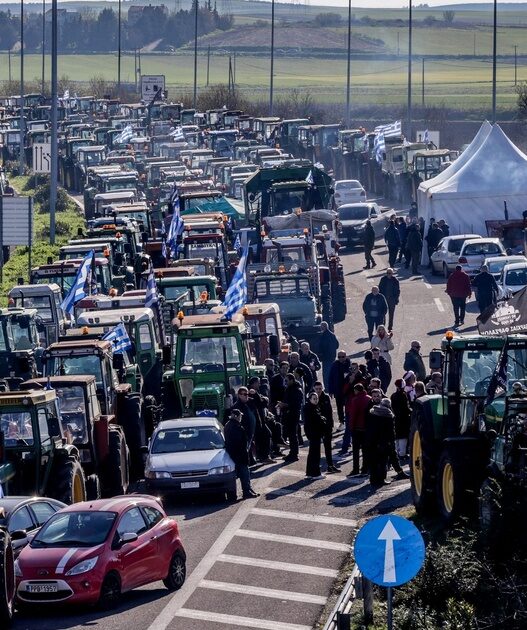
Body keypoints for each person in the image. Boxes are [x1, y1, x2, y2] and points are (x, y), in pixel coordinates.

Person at [224, 409, 259, 499]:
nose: (241, 417)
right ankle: (247, 492)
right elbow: (239, 442)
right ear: (236, 416)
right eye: (240, 415)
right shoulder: (236, 427)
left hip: (234, 455)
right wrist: (243, 452)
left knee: (240, 474)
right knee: (244, 474)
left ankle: (243, 492)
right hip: (239, 455)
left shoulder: (228, 425)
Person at [366, 397, 397, 487]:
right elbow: (391, 431)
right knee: (383, 462)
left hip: (372, 441)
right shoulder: (388, 415)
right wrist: (391, 441)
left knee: (373, 461)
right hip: (383, 442)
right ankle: (381, 479)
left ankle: (373, 479)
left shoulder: (373, 412)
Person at [314, 381, 340, 473]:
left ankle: (330, 465)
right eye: (317, 389)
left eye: (320, 389)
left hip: (326, 426)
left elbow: (329, 412)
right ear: (314, 389)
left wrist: (331, 425)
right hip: (316, 427)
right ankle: (315, 468)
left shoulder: (326, 397)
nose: (318, 391)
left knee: (328, 448)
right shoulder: (312, 397)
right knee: (315, 449)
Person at [346, 383, 371, 476]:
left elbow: (353, 415)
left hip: (357, 428)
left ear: (356, 390)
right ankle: (365, 468)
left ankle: (355, 469)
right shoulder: (369, 398)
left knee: (356, 451)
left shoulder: (355, 400)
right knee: (365, 450)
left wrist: (351, 427)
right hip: (366, 428)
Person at [278, 373, 304, 463]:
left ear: (292, 380)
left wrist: (285, 405)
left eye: (287, 380)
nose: (285, 382)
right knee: (290, 434)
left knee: (293, 435)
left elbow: (296, 404)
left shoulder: (297, 390)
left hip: (293, 415)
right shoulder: (289, 389)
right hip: (288, 414)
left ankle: (294, 454)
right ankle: (292, 453)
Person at [304, 392, 326, 478]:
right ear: (310, 399)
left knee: (312, 454)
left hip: (312, 434)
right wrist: (321, 419)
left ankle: (310, 473)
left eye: (317, 398)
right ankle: (316, 473)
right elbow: (315, 421)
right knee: (315, 454)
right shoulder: (311, 408)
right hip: (314, 433)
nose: (316, 400)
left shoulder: (311, 407)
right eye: (314, 399)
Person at [328, 352, 351, 427]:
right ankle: (342, 421)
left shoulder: (350, 365)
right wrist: (331, 390)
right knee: (339, 407)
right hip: (338, 390)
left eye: (343, 356)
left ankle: (348, 421)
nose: (341, 358)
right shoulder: (334, 365)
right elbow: (331, 378)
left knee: (348, 406)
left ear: (346, 356)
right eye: (339, 357)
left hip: (348, 390)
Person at [391, 379, 412, 458]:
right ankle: (402, 453)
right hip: (404, 418)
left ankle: (397, 452)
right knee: (403, 436)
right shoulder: (404, 395)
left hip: (396, 418)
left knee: (397, 435)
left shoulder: (393, 395)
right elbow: (406, 407)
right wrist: (411, 411)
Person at [318, 322, 340, 388]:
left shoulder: (323, 336)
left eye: (321, 327)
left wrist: (321, 354)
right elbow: (337, 345)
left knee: (326, 373)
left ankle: (327, 387)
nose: (320, 328)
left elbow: (322, 347)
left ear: (324, 327)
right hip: (332, 357)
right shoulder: (332, 335)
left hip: (326, 358)